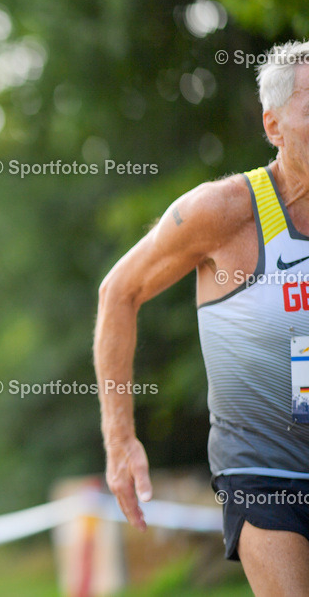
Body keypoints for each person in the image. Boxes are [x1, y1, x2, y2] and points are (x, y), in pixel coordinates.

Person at [95, 41, 309, 594]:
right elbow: (119, 292)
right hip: (265, 470)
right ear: (275, 125)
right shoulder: (224, 211)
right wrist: (120, 441)